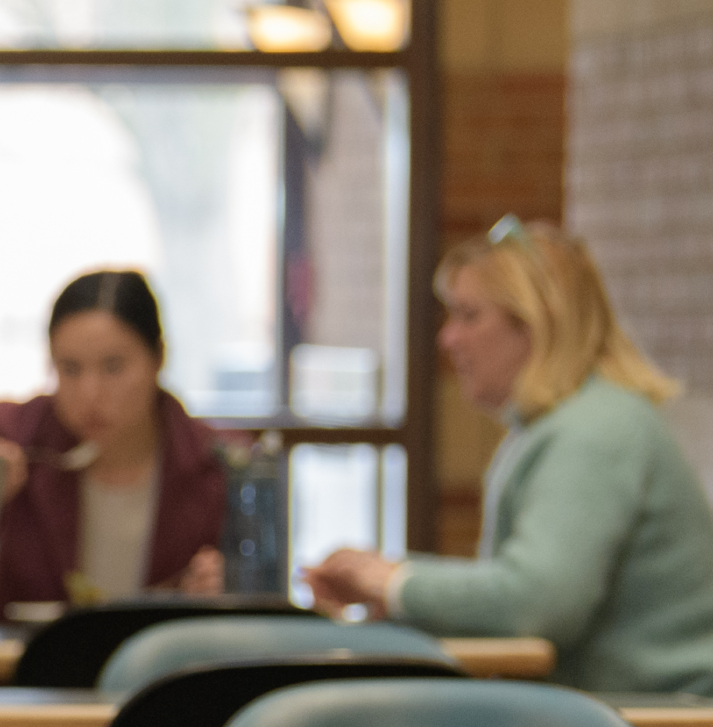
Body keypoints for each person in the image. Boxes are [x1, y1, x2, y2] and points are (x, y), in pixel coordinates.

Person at [305, 220, 713, 699]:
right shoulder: (565, 423)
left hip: (662, 724)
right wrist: (387, 579)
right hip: (617, 715)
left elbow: (538, 605)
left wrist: (396, 582)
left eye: (469, 316)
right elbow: (527, 589)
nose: (448, 339)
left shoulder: (595, 431)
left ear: (536, 322)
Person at [0, 270, 228, 616]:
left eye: (113, 367)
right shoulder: (13, 434)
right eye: (70, 369)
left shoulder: (216, 462)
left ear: (158, 358)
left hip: (162, 665)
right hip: (30, 664)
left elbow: (260, 597)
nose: (90, 394)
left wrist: (226, 584)